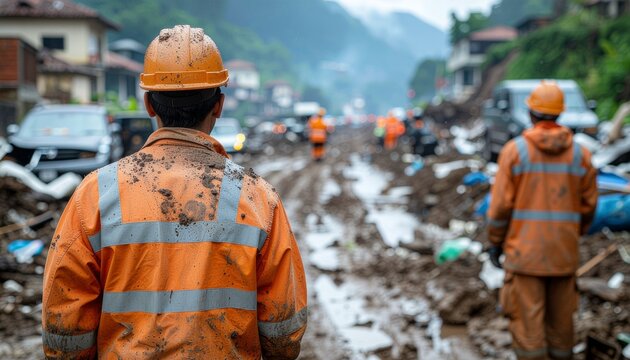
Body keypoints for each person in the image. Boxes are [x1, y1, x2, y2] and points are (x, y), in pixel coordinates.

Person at [42, 25, 307, 359]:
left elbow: (65, 326)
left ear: (149, 104)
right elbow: (283, 331)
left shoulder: (95, 194)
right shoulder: (257, 198)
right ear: (220, 105)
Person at [487, 81, 598, 360]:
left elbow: (500, 207)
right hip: (563, 254)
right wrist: (573, 234)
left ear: (531, 113)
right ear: (560, 114)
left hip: (524, 257)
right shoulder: (580, 155)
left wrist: (495, 243)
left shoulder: (515, 151)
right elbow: (589, 206)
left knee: (527, 328)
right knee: (562, 328)